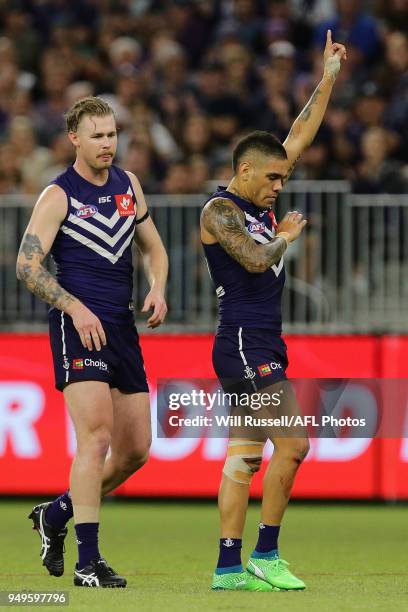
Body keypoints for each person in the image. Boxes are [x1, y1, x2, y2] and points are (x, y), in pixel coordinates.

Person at [200, 31, 346, 592]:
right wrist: (284, 239)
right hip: (243, 344)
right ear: (245, 172)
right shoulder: (220, 210)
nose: (280, 186)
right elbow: (258, 261)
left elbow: (299, 135)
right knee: (295, 445)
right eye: (273, 178)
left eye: (283, 179)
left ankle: (229, 569)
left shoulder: (258, 197)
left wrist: (327, 77)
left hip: (257, 342)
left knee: (244, 458)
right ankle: (266, 553)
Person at [16, 96, 168, 588]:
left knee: (136, 451)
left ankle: (56, 513)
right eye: (97, 135)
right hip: (77, 325)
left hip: (121, 328)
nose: (108, 143)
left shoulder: (129, 186)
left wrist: (158, 286)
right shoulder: (58, 195)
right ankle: (88, 563)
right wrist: (75, 308)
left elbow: (155, 248)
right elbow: (27, 266)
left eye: (112, 134)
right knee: (97, 439)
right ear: (74, 139)